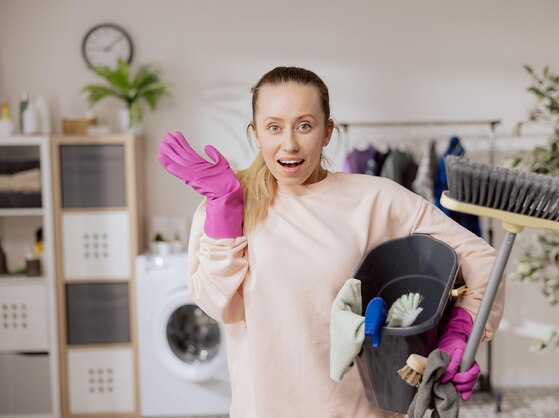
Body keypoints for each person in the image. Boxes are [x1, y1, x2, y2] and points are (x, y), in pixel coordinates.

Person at [157, 66, 504, 418]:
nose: (289, 143)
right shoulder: (227, 202)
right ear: (256, 135)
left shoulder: (375, 199)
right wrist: (224, 211)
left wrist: (459, 334)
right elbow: (221, 306)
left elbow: (482, 259)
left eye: (304, 125)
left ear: (327, 133)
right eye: (274, 127)